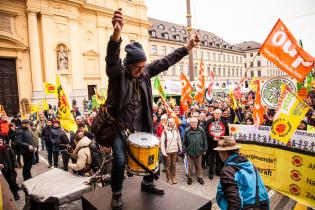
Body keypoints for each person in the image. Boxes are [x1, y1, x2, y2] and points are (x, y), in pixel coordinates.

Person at [103, 8, 200, 210]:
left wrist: (188, 47)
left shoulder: (146, 72)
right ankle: (117, 193)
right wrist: (117, 32)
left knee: (151, 156)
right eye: (137, 66)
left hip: (143, 125)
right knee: (120, 161)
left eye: (143, 65)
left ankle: (148, 184)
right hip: (120, 129)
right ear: (128, 65)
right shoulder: (118, 75)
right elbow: (112, 58)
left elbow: (166, 61)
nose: (141, 69)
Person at [215, 136, 269, 210]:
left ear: (224, 152)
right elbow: (262, 190)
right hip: (260, 205)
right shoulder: (249, 164)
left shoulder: (228, 171)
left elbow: (235, 204)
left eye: (219, 152)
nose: (219, 154)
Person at [183, 117, 208, 185]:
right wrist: (184, 150)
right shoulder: (187, 130)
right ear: (190, 123)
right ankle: (190, 178)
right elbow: (184, 142)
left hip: (199, 151)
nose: (193, 124)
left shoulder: (201, 129)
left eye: (195, 122)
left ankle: (199, 177)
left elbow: (205, 140)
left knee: (199, 166)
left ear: (197, 123)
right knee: (190, 167)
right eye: (192, 122)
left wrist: (205, 149)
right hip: (190, 152)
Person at [160, 118, 182, 184]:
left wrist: (180, 148)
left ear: (174, 123)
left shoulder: (176, 130)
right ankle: (168, 178)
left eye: (172, 122)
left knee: (173, 165)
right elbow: (162, 142)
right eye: (170, 122)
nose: (171, 123)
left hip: (175, 150)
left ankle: (173, 177)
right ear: (168, 123)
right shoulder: (164, 131)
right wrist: (163, 152)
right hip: (167, 151)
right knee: (167, 166)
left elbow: (179, 140)